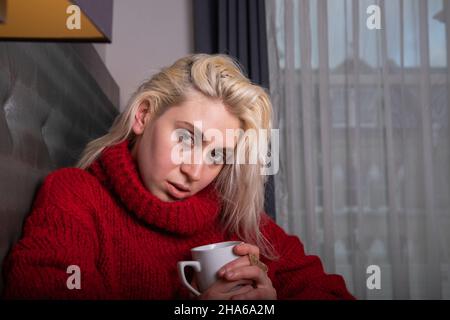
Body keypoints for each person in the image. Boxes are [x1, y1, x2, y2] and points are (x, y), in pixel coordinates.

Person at [2, 54, 355, 300]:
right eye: (186, 138)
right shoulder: (75, 196)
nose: (195, 171)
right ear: (143, 116)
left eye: (218, 154)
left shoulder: (232, 218)